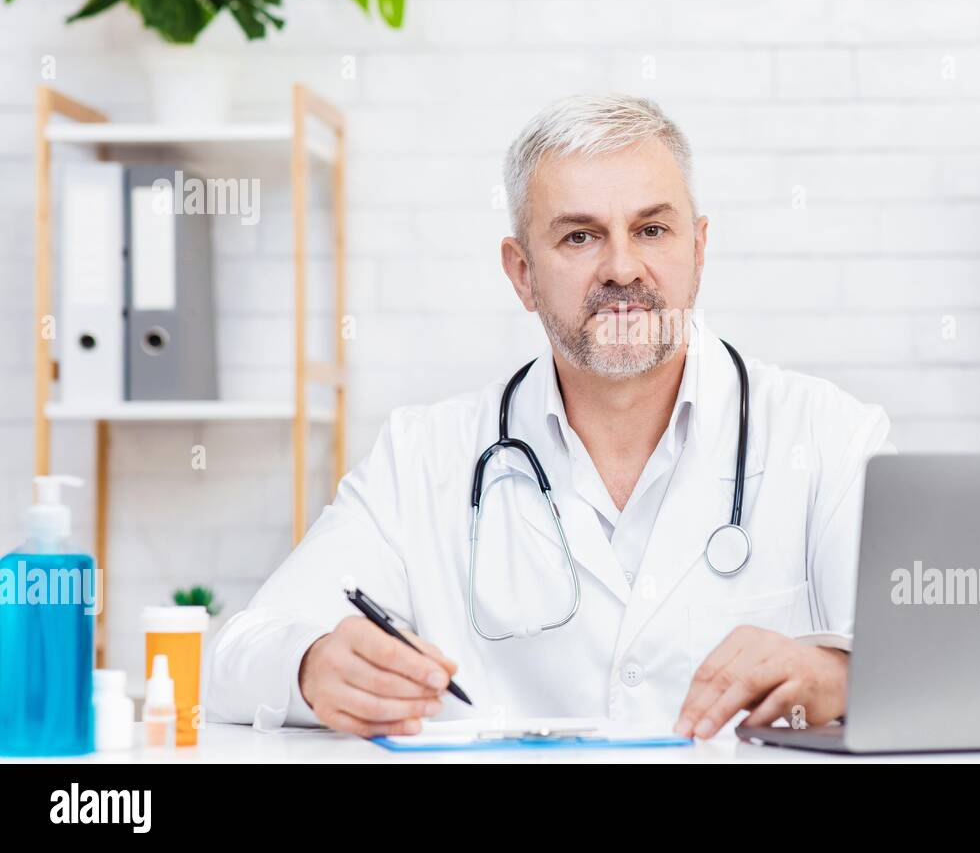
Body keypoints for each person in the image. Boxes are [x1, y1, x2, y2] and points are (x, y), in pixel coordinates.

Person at [206, 95, 892, 740]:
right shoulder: (424, 456)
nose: (623, 268)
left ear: (699, 249)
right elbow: (234, 654)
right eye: (579, 238)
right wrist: (312, 666)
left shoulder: (828, 437)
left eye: (651, 229)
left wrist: (839, 675)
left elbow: (942, 670)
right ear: (521, 273)